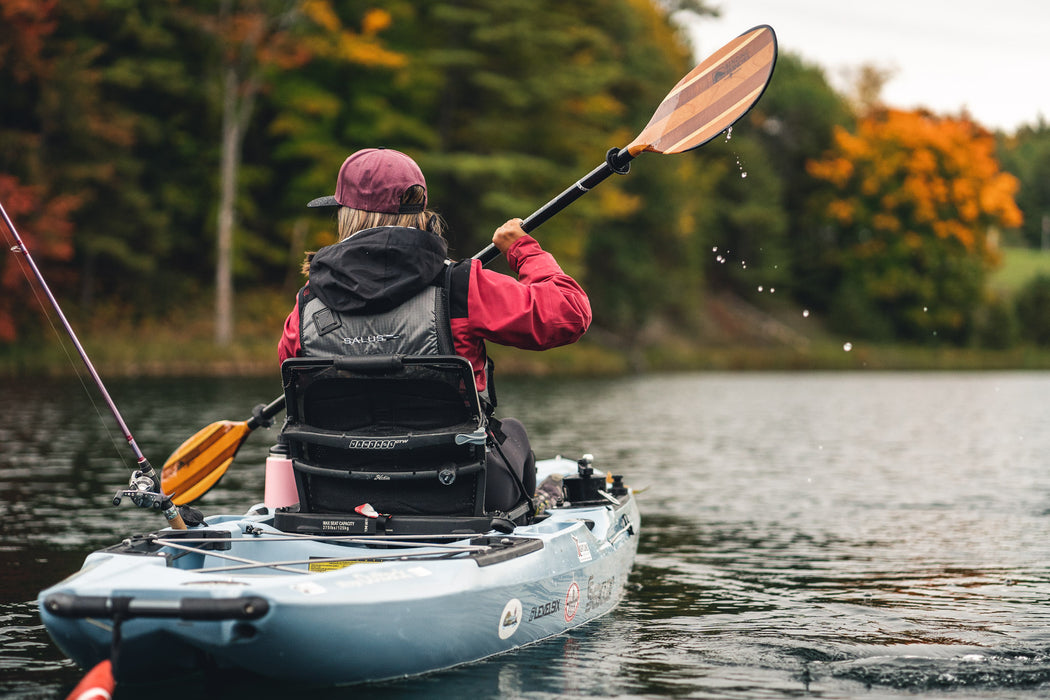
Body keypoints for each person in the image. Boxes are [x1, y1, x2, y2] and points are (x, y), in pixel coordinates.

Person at [278, 147, 591, 514]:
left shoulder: (307, 305)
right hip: (456, 494)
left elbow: (293, 374)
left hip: (340, 494)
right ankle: (532, 510)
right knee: (513, 432)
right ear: (421, 212)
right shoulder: (461, 287)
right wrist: (523, 249)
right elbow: (570, 313)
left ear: (347, 216)